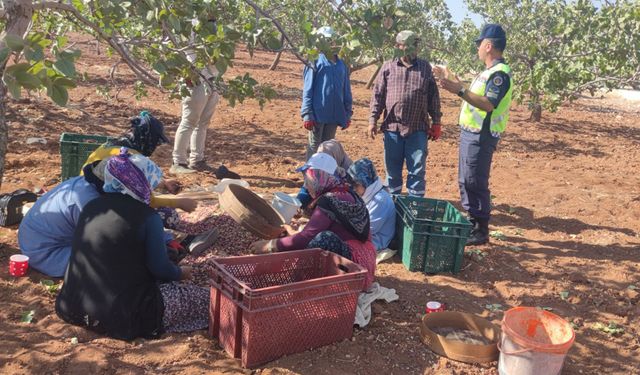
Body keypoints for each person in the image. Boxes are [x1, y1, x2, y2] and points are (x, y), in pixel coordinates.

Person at [56, 148, 209, 340]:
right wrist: (180, 273)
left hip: (71, 306)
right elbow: (160, 269)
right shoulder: (148, 217)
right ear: (142, 184)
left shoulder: (92, 207)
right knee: (207, 300)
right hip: (120, 316)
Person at [434, 24, 513, 246]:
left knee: (475, 180)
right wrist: (456, 83)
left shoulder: (499, 75)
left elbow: (488, 104)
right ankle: (472, 222)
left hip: (482, 135)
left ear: (488, 46)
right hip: (471, 133)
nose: (477, 48)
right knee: (466, 179)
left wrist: (459, 90)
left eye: (479, 44)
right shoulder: (488, 72)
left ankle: (480, 229)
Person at [250, 153, 376, 290]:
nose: (306, 185)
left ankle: (296, 287)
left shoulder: (330, 200)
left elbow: (305, 238)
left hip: (355, 266)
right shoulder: (347, 192)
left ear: (319, 178)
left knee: (324, 239)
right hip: (366, 260)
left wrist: (269, 245)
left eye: (309, 180)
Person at [368, 30, 442, 197]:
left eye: (414, 46)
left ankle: (414, 205)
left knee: (417, 172)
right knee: (392, 172)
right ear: (398, 46)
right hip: (393, 128)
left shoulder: (425, 68)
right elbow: (378, 95)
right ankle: (393, 204)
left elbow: (433, 97)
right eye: (407, 46)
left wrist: (436, 122)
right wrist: (373, 119)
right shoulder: (388, 67)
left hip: (417, 129)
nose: (411, 50)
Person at [84, 111, 197, 213]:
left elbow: (133, 178)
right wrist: (179, 203)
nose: (155, 146)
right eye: (155, 142)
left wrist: (163, 183)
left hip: (88, 194)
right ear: (147, 137)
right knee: (156, 214)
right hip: (95, 203)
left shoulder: (115, 146)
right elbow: (149, 200)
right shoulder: (129, 157)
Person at [171, 18, 220, 174]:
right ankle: (178, 162)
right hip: (195, 79)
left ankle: (197, 160)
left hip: (211, 79)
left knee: (203, 123)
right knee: (189, 121)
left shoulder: (212, 25)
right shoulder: (191, 24)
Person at [301, 26, 353, 160]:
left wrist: (347, 113)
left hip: (334, 115)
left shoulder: (341, 65)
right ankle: (310, 178)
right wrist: (307, 114)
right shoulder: (315, 61)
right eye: (326, 40)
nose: (329, 43)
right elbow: (308, 88)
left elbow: (346, 90)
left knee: (328, 147)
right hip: (317, 114)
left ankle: (323, 177)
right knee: (314, 146)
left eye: (331, 40)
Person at [346, 159, 396, 263]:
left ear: (365, 182)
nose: (353, 189)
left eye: (356, 185)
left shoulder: (380, 201)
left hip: (375, 242)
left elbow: (365, 230)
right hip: (364, 235)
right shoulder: (369, 194)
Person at [296, 139, 352, 210]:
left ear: (335, 155)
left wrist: (318, 200)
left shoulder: (350, 176)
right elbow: (307, 188)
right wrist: (297, 204)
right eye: (320, 154)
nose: (322, 159)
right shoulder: (319, 171)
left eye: (326, 156)